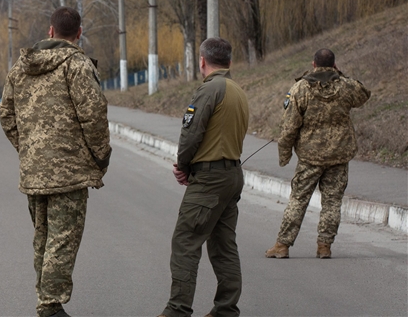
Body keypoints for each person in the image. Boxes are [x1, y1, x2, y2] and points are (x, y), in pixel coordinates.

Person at [0, 7, 111, 317]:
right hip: (69, 172)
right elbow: (94, 115)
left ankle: (46, 300)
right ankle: (50, 305)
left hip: (34, 171)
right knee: (62, 239)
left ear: (50, 31)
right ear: (79, 33)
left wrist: (29, 149)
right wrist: (101, 156)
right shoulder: (77, 65)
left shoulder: (21, 67)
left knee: (44, 238)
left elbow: (6, 115)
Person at [158, 37, 248, 317]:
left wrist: (183, 165)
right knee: (223, 246)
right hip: (232, 175)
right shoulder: (238, 90)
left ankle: (178, 309)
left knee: (185, 241)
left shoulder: (210, 89)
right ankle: (226, 309)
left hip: (210, 180)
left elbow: (191, 132)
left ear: (201, 61)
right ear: (229, 61)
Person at [265, 48, 370, 259]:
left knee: (298, 199)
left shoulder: (300, 88)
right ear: (334, 65)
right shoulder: (346, 86)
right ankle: (324, 246)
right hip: (338, 155)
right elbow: (364, 94)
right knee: (332, 202)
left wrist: (284, 155)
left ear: (313, 64)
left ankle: (282, 245)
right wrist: (339, 75)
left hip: (310, 156)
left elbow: (290, 126)